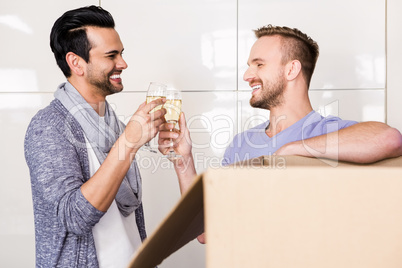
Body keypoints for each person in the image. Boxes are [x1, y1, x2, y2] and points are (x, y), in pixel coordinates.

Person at [158, 25, 402, 242]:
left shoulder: (329, 132)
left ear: (291, 69)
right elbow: (207, 232)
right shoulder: (241, 144)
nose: (247, 75)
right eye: (249, 66)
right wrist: (183, 161)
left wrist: (290, 151)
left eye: (259, 64)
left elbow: (390, 138)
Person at [24, 6, 167, 267]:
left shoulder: (116, 125)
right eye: (111, 55)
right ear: (76, 62)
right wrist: (128, 143)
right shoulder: (48, 126)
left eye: (121, 54)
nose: (123, 63)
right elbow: (75, 217)